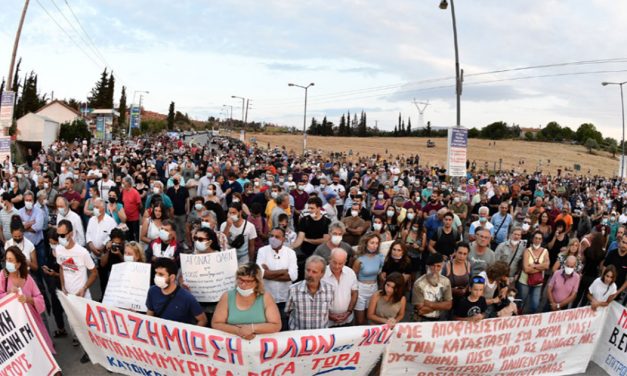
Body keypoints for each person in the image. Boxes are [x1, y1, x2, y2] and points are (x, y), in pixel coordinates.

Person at [0, 246, 54, 354]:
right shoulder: (2, 277)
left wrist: (28, 299)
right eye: (6, 259)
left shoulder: (27, 278)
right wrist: (8, 293)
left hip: (32, 323)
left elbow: (40, 299)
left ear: (19, 264)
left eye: (10, 260)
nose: (7, 263)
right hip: (15, 326)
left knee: (40, 351)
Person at [212, 263, 281, 339]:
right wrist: (238, 331)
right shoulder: (227, 296)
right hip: (233, 345)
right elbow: (216, 323)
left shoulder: (265, 297)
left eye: (249, 281)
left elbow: (276, 325)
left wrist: (252, 328)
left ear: (257, 282)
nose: (243, 285)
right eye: (241, 280)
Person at [255, 227, 298, 328]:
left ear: (283, 239)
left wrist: (268, 273)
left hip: (285, 299)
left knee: (283, 327)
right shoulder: (262, 251)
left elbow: (293, 276)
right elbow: (259, 274)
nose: (273, 239)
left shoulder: (290, 253)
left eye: (277, 237)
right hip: (266, 298)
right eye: (271, 236)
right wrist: (283, 271)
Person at [146, 257, 207, 326]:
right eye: (156, 273)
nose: (156, 276)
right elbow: (150, 313)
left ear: (172, 277)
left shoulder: (187, 297)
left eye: (161, 274)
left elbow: (203, 320)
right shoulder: (152, 291)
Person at [285, 255, 335, 330]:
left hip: (320, 337)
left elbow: (329, 310)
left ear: (322, 274)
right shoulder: (293, 290)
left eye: (314, 272)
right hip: (299, 336)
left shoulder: (330, 290)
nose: (309, 275)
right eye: (308, 270)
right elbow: (288, 312)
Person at [292, 197, 331, 278]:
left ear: (319, 208)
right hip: (305, 252)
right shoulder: (304, 220)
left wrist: (307, 240)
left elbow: (324, 240)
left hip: (320, 254)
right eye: (309, 208)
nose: (309, 210)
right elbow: (300, 238)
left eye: (312, 208)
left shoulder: (326, 222)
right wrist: (291, 247)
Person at [352, 233, 385, 325]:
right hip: (361, 290)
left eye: (377, 243)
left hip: (374, 289)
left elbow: (381, 275)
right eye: (372, 243)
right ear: (366, 243)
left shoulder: (380, 257)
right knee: (360, 321)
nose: (375, 246)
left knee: (369, 317)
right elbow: (353, 278)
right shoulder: (359, 259)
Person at [412, 253, 453, 321]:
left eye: (438, 266)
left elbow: (449, 305)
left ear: (442, 266)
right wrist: (442, 305)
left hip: (440, 319)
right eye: (432, 266)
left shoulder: (446, 282)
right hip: (422, 319)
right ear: (427, 267)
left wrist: (429, 303)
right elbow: (421, 309)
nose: (435, 269)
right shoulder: (418, 283)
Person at [323, 248, 358, 327]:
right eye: (334, 262)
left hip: (348, 319)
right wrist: (328, 315)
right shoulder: (322, 273)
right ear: (329, 259)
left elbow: (354, 293)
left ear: (345, 262)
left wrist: (349, 312)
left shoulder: (350, 273)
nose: (337, 266)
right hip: (327, 321)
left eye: (341, 263)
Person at [518, 231, 550, 314]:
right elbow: (526, 269)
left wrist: (533, 266)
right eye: (536, 238)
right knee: (522, 302)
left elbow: (547, 266)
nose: (537, 240)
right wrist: (540, 267)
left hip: (538, 282)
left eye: (539, 239)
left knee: (535, 304)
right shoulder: (527, 251)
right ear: (532, 239)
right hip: (524, 281)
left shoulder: (545, 251)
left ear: (542, 240)